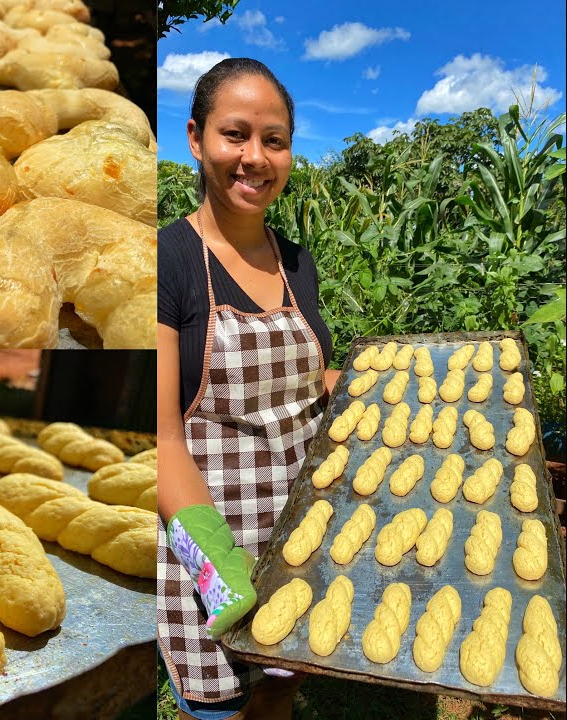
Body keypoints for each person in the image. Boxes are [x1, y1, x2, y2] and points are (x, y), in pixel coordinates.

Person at [155, 58, 342, 720]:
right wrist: (220, 577)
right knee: (221, 707)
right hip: (210, 545)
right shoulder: (168, 262)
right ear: (195, 138)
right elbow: (162, 442)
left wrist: (361, 386)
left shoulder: (298, 263)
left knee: (280, 691)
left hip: (296, 545)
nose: (254, 158)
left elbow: (299, 383)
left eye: (275, 140)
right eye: (235, 134)